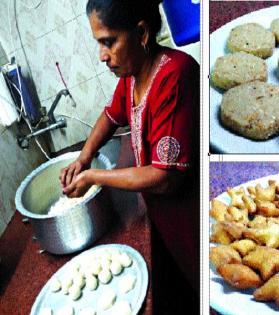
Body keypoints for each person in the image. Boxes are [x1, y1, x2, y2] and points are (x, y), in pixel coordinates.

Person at [59, 0, 200, 299]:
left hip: (191, 217)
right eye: (99, 43)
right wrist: (83, 158)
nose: (102, 56)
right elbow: (111, 115)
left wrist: (93, 177)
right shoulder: (133, 75)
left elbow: (163, 177)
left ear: (141, 33)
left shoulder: (175, 75)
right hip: (164, 216)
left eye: (108, 42)